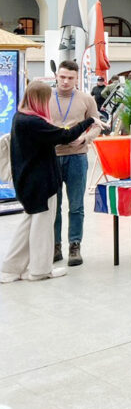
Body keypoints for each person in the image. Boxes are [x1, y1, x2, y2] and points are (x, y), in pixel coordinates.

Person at [1, 82, 96, 283]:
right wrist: (89, 121)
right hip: (41, 183)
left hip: (29, 182)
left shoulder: (20, 117)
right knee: (42, 228)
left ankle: (11, 267)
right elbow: (64, 135)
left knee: (29, 225)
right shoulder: (33, 122)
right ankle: (39, 270)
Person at [49, 60, 101, 267]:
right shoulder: (46, 98)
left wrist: (84, 139)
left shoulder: (87, 99)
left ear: (76, 78)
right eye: (62, 77)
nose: (65, 81)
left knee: (77, 205)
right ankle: (55, 245)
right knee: (54, 205)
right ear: (56, 77)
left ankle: (74, 245)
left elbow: (97, 125)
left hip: (78, 156)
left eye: (70, 78)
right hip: (50, 157)